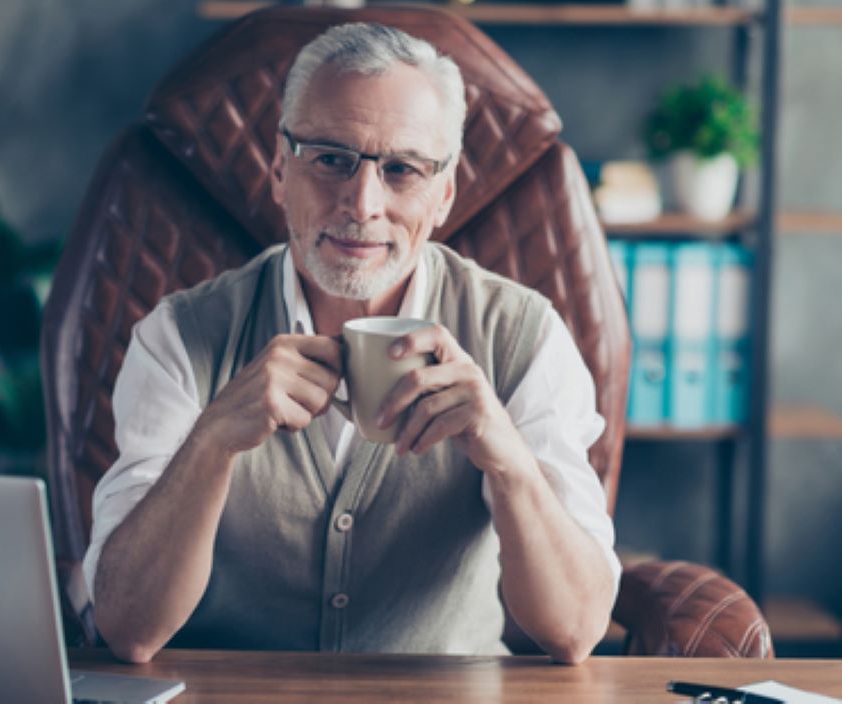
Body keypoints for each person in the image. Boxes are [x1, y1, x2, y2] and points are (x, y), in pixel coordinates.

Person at [84, 22, 619, 664]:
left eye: (403, 170)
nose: (363, 203)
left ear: (444, 192)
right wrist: (212, 441)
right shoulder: (177, 336)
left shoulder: (527, 336)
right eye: (332, 159)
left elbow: (575, 630)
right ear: (282, 169)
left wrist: (507, 459)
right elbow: (127, 628)